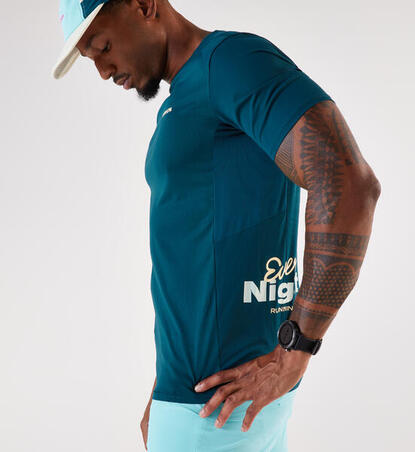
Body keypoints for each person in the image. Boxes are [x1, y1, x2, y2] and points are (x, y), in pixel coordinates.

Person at [51, 1, 381, 451]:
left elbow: (349, 184)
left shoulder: (228, 64)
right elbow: (195, 252)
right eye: (91, 59)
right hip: (210, 404)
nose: (103, 72)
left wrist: (296, 349)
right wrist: (163, 387)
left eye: (103, 47)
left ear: (144, 5)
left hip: (213, 416)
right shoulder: (190, 94)